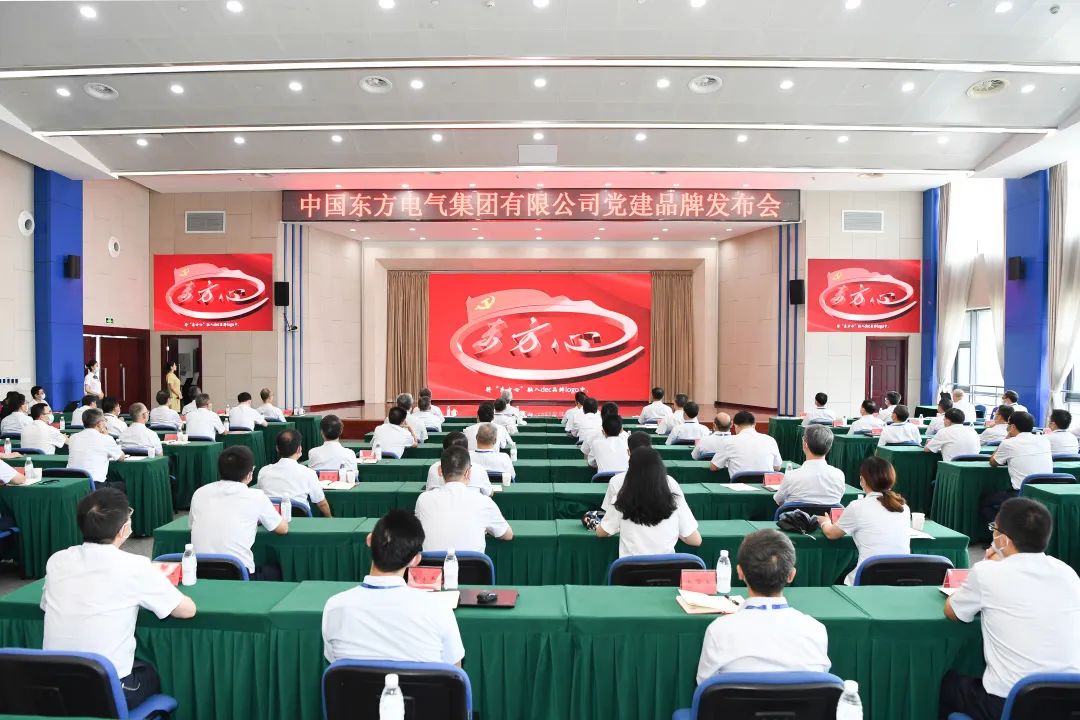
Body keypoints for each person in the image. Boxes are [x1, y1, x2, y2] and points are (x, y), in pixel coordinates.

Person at [41, 488, 196, 710]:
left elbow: (46, 606)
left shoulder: (57, 560)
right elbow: (186, 610)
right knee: (151, 672)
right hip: (105, 691)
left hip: (54, 687)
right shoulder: (134, 566)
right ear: (124, 529)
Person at [940, 498, 1080, 720]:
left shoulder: (986, 572)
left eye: (994, 529)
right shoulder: (1068, 573)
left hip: (1009, 704)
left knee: (946, 683)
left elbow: (952, 611)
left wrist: (986, 565)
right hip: (1070, 702)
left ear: (1003, 540)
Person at [322, 509, 464, 666]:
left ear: (369, 540)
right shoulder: (438, 609)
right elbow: (455, 672)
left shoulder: (334, 607)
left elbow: (335, 666)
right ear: (415, 560)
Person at [695, 529, 830, 684]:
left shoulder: (719, 630)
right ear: (791, 575)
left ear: (739, 572)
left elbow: (704, 685)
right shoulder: (816, 630)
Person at [189, 445, 288, 579]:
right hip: (239, 575)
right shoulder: (256, 497)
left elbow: (191, 526)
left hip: (199, 573)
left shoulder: (200, 492)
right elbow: (282, 529)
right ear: (250, 474)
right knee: (279, 569)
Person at [818, 455, 911, 584]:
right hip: (901, 578)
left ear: (862, 480)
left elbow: (831, 534)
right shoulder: (904, 507)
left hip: (869, 579)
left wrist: (825, 522)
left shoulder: (857, 506)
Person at [596, 446, 702, 557]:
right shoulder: (675, 500)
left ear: (630, 472)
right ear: (661, 470)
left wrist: (619, 527)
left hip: (630, 567)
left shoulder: (621, 500)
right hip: (666, 567)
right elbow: (696, 540)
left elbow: (601, 532)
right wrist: (676, 530)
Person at [414, 445, 512, 552]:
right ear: (468, 473)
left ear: (440, 471)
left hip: (431, 563)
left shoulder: (423, 499)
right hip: (473, 563)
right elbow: (507, 535)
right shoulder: (483, 502)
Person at [986, 412, 1052, 518]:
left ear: (1012, 427)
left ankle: (1000, 527)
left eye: (1008, 425)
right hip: (1045, 492)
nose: (1007, 427)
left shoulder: (1009, 443)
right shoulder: (1044, 440)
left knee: (986, 502)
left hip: (1021, 493)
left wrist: (1006, 439)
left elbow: (993, 462)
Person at [258, 429, 332, 517]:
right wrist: (330, 518)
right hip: (302, 522)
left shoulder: (264, 471)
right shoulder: (308, 473)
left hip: (271, 521)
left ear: (277, 448)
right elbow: (321, 503)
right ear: (299, 449)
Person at [773, 424, 846, 506]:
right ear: (830, 446)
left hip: (795, 514)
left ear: (805, 444)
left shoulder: (791, 476)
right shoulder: (839, 475)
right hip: (827, 515)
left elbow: (778, 500)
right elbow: (838, 499)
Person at [710, 411, 782, 475]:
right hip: (765, 484)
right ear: (754, 424)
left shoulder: (729, 441)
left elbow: (713, 467)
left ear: (735, 425)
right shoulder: (770, 440)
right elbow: (777, 467)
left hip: (738, 485)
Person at [67, 409, 124, 487]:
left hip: (72, 484)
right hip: (94, 484)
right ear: (99, 424)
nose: (105, 423)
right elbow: (121, 457)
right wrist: (107, 435)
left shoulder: (73, 437)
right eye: (104, 420)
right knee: (124, 486)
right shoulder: (106, 439)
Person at [425, 432, 493, 494]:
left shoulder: (433, 468)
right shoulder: (479, 469)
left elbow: (429, 491)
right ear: (467, 450)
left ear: (443, 450)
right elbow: (489, 493)